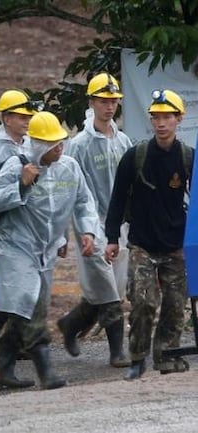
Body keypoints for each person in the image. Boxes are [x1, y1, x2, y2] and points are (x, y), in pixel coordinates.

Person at [0, 112, 98, 390]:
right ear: (37, 145)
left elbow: (84, 202)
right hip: (15, 247)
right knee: (31, 303)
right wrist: (21, 184)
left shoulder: (69, 168)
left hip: (45, 250)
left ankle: (1, 364)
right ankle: (46, 371)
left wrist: (87, 231)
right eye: (52, 144)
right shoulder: (17, 165)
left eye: (60, 143)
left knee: (28, 308)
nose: (59, 148)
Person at [105, 89, 191, 380]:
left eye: (167, 117)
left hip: (176, 244)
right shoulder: (135, 156)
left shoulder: (188, 158)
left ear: (179, 119)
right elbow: (117, 199)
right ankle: (138, 357)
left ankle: (166, 356)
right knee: (143, 301)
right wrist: (112, 238)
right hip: (142, 242)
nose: (161, 123)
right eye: (156, 117)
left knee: (175, 305)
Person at [59, 73, 132, 368]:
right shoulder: (79, 144)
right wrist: (70, 231)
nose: (109, 106)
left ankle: (70, 323)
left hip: (120, 225)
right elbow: (72, 190)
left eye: (113, 100)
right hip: (91, 222)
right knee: (107, 289)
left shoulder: (123, 140)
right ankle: (117, 352)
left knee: (112, 287)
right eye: (104, 100)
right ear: (92, 102)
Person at [0, 89, 41, 352]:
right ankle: (11, 342)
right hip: (0, 229)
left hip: (26, 228)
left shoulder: (30, 147)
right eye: (20, 116)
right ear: (6, 118)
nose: (26, 120)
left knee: (21, 287)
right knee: (13, 288)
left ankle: (3, 335)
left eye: (28, 116)